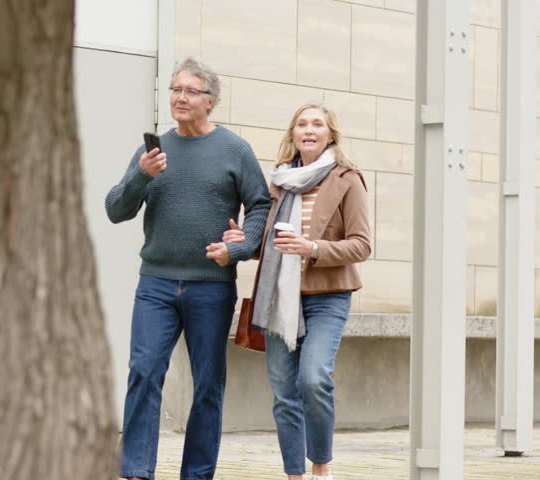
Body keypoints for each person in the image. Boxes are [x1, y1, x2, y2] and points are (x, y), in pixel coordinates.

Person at [105, 56, 271, 480]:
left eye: (189, 91)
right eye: (175, 90)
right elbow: (115, 209)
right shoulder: (153, 151)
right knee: (143, 372)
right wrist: (142, 176)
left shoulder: (234, 150)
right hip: (155, 283)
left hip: (210, 287)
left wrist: (240, 248)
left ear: (210, 101)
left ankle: (196, 474)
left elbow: (259, 206)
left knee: (208, 384)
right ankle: (135, 471)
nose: (179, 97)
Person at [223, 103, 371, 480]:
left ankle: (321, 466)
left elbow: (362, 245)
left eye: (317, 124)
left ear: (330, 135)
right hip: (278, 295)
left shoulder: (347, 178)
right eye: (301, 124)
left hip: (328, 294)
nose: (309, 129)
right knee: (284, 391)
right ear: (293, 135)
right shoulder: (278, 181)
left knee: (313, 378)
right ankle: (294, 474)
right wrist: (244, 240)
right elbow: (267, 245)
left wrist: (314, 248)